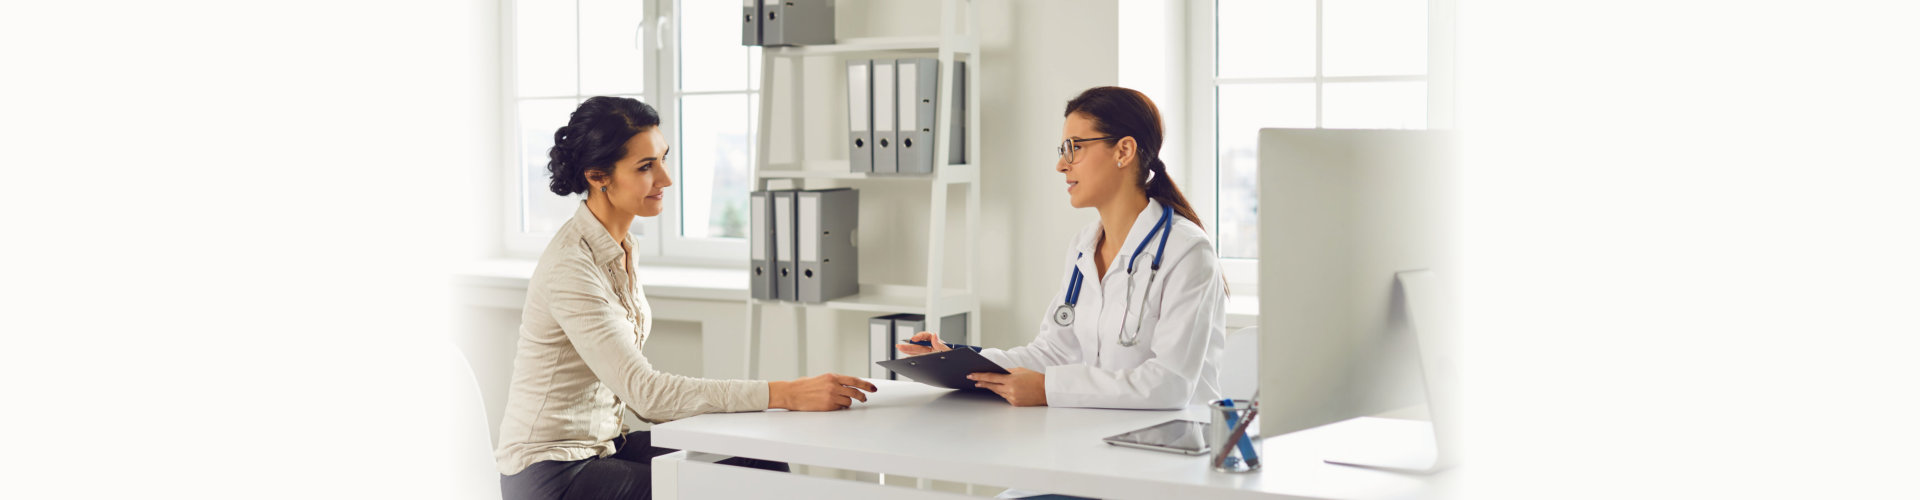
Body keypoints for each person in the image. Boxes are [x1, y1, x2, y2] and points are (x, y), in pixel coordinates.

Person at [496, 96, 877, 500]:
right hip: (552, 474)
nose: (665, 178)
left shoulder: (622, 247)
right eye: (646, 167)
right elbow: (647, 395)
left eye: (663, 159)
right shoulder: (571, 267)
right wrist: (785, 393)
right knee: (724, 488)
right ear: (598, 176)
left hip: (605, 448)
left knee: (760, 464)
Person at [900, 86, 1227, 409]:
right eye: (1062, 149)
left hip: (1173, 444)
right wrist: (958, 360)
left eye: (1074, 147)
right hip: (1097, 436)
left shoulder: (1187, 252)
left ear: (1123, 152)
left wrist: (1048, 389)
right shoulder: (1084, 246)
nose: (1061, 165)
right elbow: (1051, 353)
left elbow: (1170, 384)